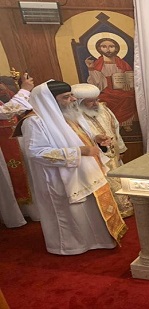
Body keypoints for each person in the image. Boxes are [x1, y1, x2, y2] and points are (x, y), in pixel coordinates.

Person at [16, 80, 127, 255]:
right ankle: (72, 246)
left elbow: (83, 135)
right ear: (50, 100)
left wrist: (96, 138)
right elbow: (36, 152)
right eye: (66, 97)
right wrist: (78, 152)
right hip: (59, 177)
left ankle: (98, 240)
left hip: (86, 170)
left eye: (71, 95)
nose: (73, 99)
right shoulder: (34, 122)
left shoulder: (67, 114)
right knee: (73, 214)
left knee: (91, 210)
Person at [72, 83, 134, 218]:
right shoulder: (74, 118)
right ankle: (113, 214)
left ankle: (125, 208)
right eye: (90, 101)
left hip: (113, 154)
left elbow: (115, 127)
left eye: (97, 100)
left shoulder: (104, 109)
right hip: (96, 158)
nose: (96, 104)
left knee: (120, 181)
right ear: (80, 102)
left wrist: (121, 148)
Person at [0, 73, 36, 228]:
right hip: (3, 144)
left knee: (23, 172)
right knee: (6, 179)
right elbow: (5, 111)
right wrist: (25, 90)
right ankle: (13, 216)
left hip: (11, 137)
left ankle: (27, 211)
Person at [85, 37, 136, 129]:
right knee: (104, 99)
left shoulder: (122, 63)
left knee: (129, 97)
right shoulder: (97, 63)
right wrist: (91, 68)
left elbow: (129, 77)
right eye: (104, 46)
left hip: (122, 90)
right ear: (99, 49)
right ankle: (110, 124)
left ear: (116, 48)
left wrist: (128, 86)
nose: (108, 49)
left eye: (111, 46)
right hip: (106, 90)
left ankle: (125, 123)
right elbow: (95, 83)